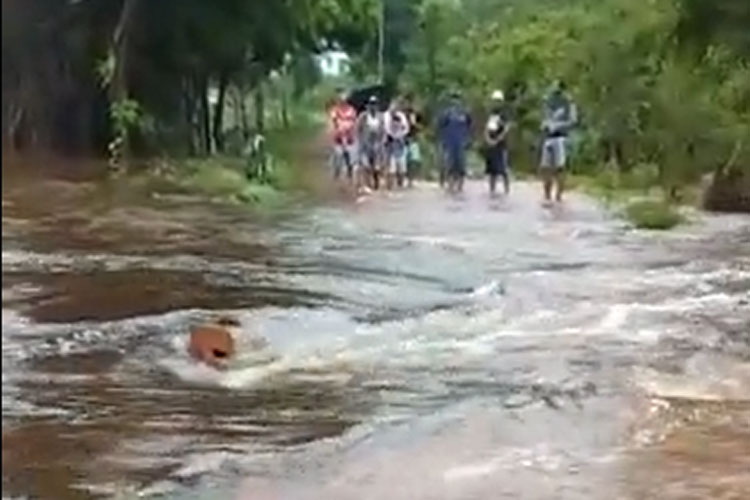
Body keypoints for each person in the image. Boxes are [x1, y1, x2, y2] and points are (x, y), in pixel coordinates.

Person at [539, 80, 577, 203]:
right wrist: (544, 124)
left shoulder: (568, 102)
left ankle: (559, 196)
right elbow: (545, 117)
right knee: (545, 167)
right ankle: (547, 195)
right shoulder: (548, 101)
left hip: (561, 137)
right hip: (548, 137)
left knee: (560, 167)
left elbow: (573, 120)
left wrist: (558, 125)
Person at [437, 90, 472, 194]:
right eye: (453, 98)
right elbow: (440, 127)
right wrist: (442, 142)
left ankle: (460, 187)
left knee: (461, 166)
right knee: (449, 165)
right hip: (449, 143)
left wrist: (468, 140)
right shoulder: (446, 113)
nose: (455, 101)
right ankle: (450, 186)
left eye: (457, 98)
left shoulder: (465, 113)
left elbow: (469, 127)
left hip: (461, 143)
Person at [483, 90, 511, 196]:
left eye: (498, 101)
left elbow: (506, 129)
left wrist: (498, 139)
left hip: (501, 144)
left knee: (503, 168)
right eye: (495, 101)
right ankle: (492, 190)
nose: (496, 103)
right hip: (491, 143)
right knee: (491, 170)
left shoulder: (504, 114)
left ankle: (506, 189)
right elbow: (486, 128)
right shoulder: (491, 113)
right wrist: (488, 139)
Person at [356, 95, 387, 191]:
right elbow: (358, 129)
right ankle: (367, 183)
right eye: (371, 104)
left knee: (376, 166)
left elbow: (383, 130)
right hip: (366, 144)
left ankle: (376, 182)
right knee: (366, 165)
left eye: (375, 104)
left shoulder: (380, 117)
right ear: (368, 106)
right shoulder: (363, 116)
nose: (373, 106)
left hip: (377, 144)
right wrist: (360, 142)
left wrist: (382, 141)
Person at [328, 88, 358, 181]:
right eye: (341, 100)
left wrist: (351, 131)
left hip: (350, 139)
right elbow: (332, 123)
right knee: (338, 160)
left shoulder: (352, 110)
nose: (343, 101)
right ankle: (336, 179)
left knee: (351, 162)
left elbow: (354, 123)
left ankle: (350, 179)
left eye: (344, 100)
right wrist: (335, 132)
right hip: (338, 139)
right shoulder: (335, 110)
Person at [384, 98, 411, 189]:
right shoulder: (386, 115)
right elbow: (386, 128)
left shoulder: (401, 116)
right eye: (393, 107)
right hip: (389, 141)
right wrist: (392, 135)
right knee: (391, 163)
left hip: (400, 141)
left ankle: (400, 181)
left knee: (401, 162)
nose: (394, 109)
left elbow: (406, 128)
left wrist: (400, 135)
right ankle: (390, 183)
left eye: (396, 107)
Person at [403, 93, 423, 187]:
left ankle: (411, 179)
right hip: (403, 139)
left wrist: (415, 124)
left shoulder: (416, 114)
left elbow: (421, 126)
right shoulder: (402, 113)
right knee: (404, 160)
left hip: (413, 138)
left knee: (413, 160)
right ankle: (404, 179)